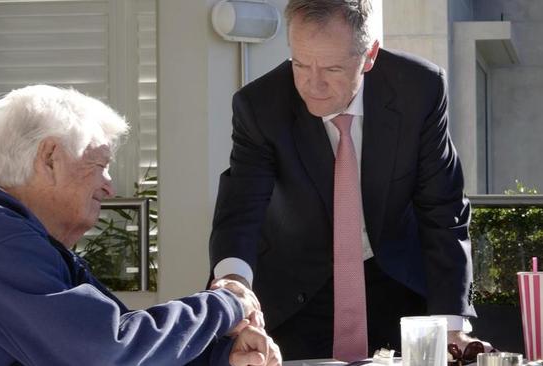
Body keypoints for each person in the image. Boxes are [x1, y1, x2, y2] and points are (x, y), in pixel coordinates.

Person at [0, 85, 281, 366]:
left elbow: (121, 339)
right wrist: (227, 303)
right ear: (49, 158)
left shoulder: (13, 236)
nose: (110, 186)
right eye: (99, 165)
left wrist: (221, 356)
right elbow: (103, 350)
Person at [209, 0, 489, 361]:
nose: (313, 84)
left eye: (332, 68)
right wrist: (234, 286)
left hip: (394, 278)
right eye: (300, 64)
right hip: (296, 288)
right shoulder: (259, 105)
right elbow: (241, 208)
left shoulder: (419, 90)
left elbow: (443, 208)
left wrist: (451, 325)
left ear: (369, 56)